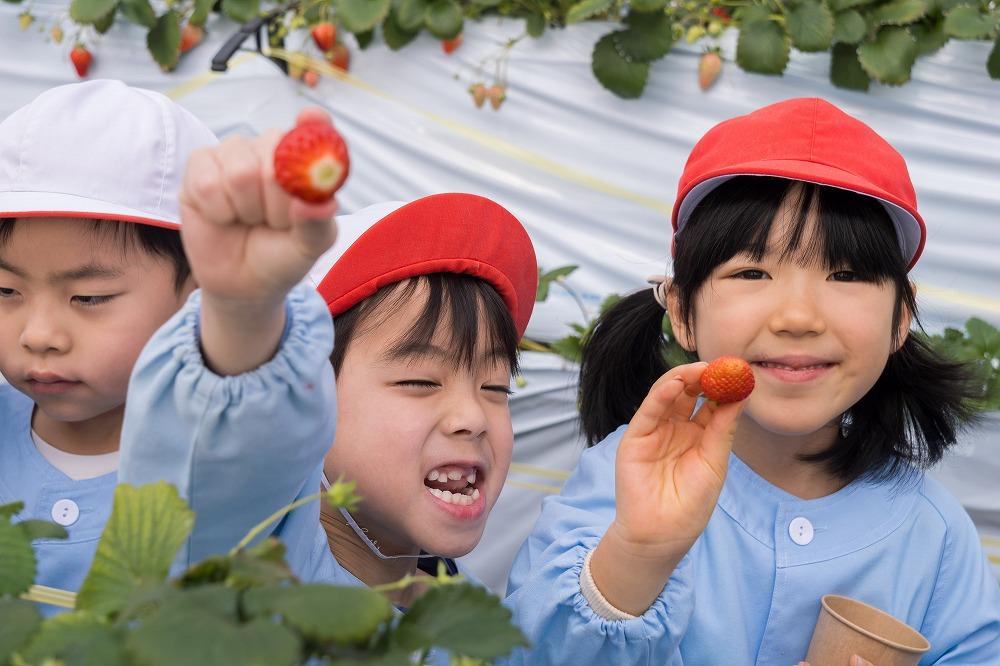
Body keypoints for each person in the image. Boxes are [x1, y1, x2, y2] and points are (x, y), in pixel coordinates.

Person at [504, 98, 1000, 664]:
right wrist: (638, 553)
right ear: (683, 313)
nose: (798, 317)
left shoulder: (935, 537)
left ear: (900, 320)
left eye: (846, 274)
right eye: (751, 272)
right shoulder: (623, 482)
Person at [118, 187, 538, 615]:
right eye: (420, 381)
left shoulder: (481, 626)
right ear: (305, 401)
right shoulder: (243, 578)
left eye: (495, 388)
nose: (472, 417)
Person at [0, 80, 216, 603]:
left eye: (89, 297)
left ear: (202, 289)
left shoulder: (225, 471)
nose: (39, 336)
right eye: (6, 289)